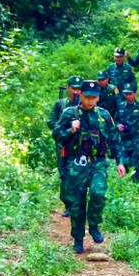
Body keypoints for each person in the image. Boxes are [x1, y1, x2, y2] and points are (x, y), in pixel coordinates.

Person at [52, 80, 126, 254]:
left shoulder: (104, 116)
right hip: (76, 164)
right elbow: (56, 134)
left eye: (94, 97)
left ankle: (93, 224)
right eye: (87, 97)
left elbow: (115, 139)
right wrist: (70, 130)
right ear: (81, 95)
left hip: (98, 162)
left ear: (98, 98)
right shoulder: (70, 114)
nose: (90, 101)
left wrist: (120, 161)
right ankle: (78, 239)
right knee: (76, 204)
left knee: (98, 192)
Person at [47, 75, 83, 217]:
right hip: (63, 143)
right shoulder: (60, 104)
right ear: (68, 87)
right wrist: (64, 128)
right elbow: (50, 122)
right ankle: (68, 204)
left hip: (80, 144)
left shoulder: (84, 104)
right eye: (73, 88)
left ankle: (78, 203)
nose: (76, 92)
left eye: (79, 89)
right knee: (64, 173)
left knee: (79, 172)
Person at [116, 82, 139, 183]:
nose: (128, 96)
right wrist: (117, 125)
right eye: (126, 94)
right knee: (124, 163)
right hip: (123, 141)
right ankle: (125, 185)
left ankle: (136, 185)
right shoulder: (120, 107)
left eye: (130, 94)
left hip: (136, 140)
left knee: (136, 164)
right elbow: (114, 121)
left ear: (135, 94)